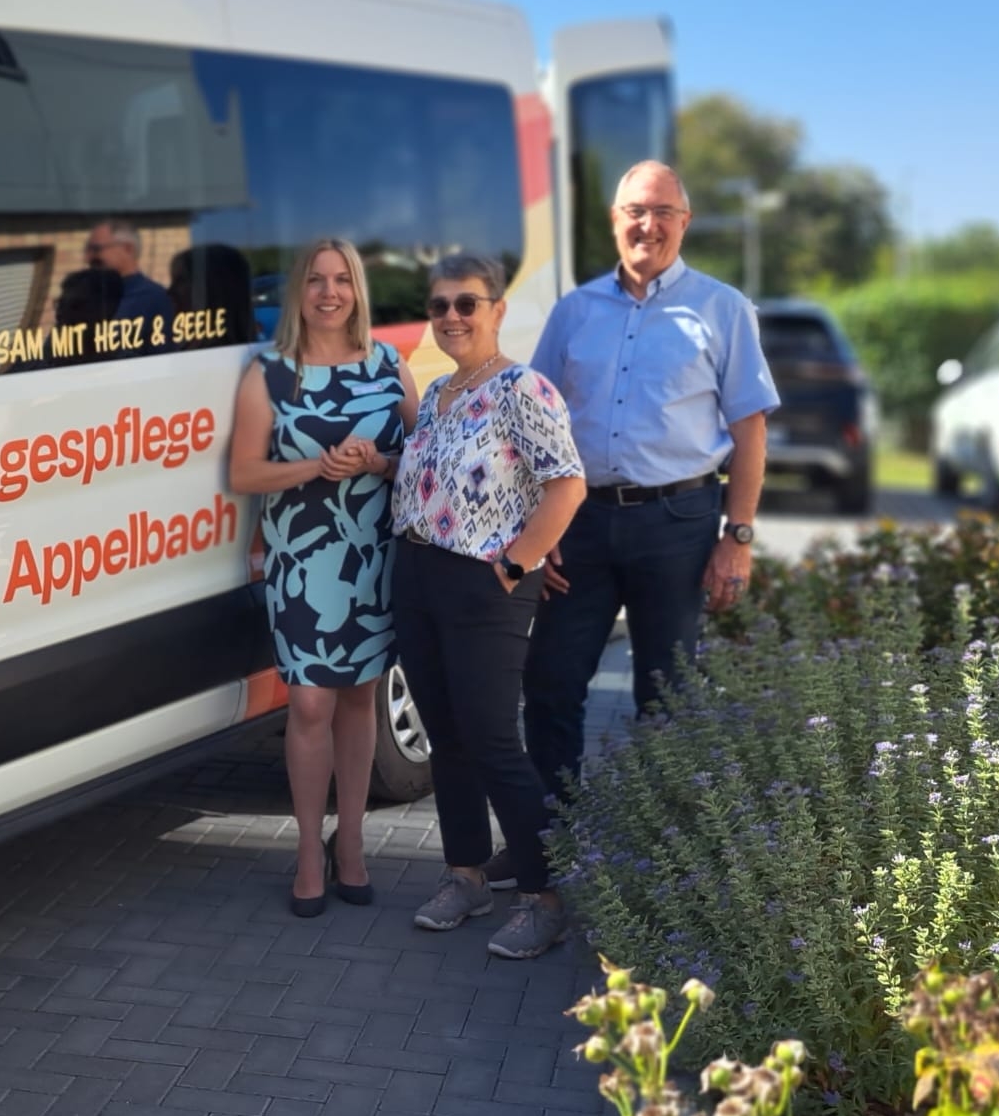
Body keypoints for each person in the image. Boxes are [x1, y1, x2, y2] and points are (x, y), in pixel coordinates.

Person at [520, 160, 777, 844]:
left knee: (667, 698)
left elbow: (750, 429)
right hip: (579, 525)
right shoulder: (574, 312)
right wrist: (535, 532)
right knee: (550, 684)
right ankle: (554, 841)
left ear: (684, 223)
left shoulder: (723, 309)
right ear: (614, 221)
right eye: (636, 210)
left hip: (680, 523)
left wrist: (737, 537)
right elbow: (535, 423)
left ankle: (663, 851)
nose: (648, 224)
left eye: (664, 212)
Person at [390, 254, 586, 957]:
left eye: (466, 304)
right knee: (448, 739)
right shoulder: (438, 391)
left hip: (484, 584)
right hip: (415, 576)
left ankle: (543, 895)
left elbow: (567, 484)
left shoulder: (521, 389)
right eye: (439, 305)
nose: (451, 317)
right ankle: (466, 874)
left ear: (498, 310)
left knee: (495, 740)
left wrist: (517, 562)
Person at [228, 239, 413, 917]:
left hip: (372, 556)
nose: (329, 293)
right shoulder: (269, 373)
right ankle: (310, 849)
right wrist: (316, 468)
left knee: (362, 697)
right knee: (309, 704)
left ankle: (354, 842)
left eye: (342, 280)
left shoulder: (390, 365)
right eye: (315, 280)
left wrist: (380, 465)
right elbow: (243, 474)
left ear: (358, 289)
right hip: (303, 560)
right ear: (297, 292)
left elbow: (422, 461)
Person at [86, 219, 174, 337]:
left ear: (128, 249)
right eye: (88, 250)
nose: (89, 257)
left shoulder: (155, 299)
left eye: (96, 249)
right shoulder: (88, 297)